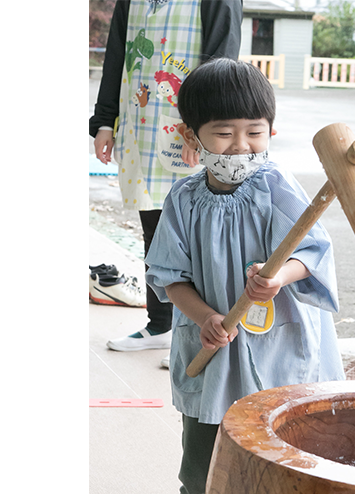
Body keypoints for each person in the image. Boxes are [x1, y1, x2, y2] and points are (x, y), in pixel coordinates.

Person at [145, 58, 345, 494]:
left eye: (254, 132)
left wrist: (279, 276)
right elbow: (169, 275)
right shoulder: (183, 199)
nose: (240, 146)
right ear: (193, 136)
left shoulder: (277, 187)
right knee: (201, 464)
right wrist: (203, 316)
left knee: (287, 458)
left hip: (279, 351)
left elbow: (314, 253)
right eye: (224, 133)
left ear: (271, 132)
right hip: (214, 348)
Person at [89, 0, 242, 356]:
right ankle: (161, 325)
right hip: (141, 123)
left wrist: (200, 127)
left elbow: (222, 61)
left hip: (188, 129)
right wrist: (103, 121)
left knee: (199, 231)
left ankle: (199, 330)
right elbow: (117, 56)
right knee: (154, 226)